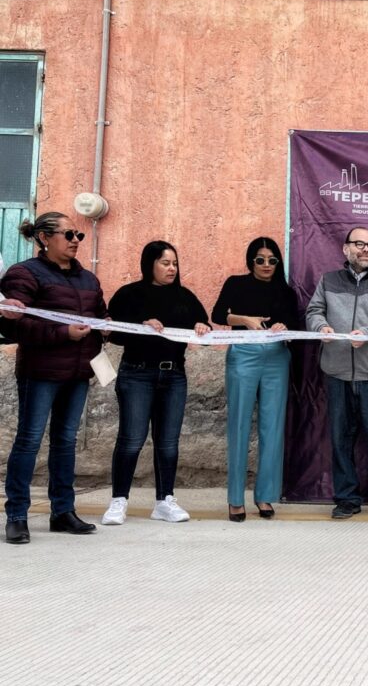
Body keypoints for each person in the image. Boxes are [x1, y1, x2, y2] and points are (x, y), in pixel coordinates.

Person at [2, 212, 105, 545]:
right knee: (29, 440)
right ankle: (17, 516)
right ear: (44, 238)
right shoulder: (24, 273)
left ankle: (63, 511)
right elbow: (16, 325)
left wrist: (108, 327)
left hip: (78, 372)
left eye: (78, 235)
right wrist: (63, 333)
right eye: (68, 234)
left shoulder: (88, 279)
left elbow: (101, 315)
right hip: (40, 372)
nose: (76, 240)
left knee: (66, 442)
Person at [101, 241, 211, 526]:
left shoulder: (185, 296)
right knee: (131, 440)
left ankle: (165, 501)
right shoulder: (129, 294)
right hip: (137, 374)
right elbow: (114, 333)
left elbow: (203, 326)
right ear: (149, 264)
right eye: (165, 263)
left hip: (174, 376)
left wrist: (202, 327)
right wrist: (141, 325)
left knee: (168, 443)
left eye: (174, 263)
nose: (171, 268)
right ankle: (118, 501)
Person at [306, 226, 368, 519]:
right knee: (340, 440)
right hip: (337, 372)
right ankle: (347, 499)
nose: (366, 250)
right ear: (345, 248)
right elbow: (314, 311)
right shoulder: (328, 281)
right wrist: (321, 327)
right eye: (359, 244)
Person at [211, 237, 298, 522]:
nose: (266, 265)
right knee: (238, 424)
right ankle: (235, 499)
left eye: (272, 260)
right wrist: (244, 319)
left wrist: (284, 326)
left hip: (276, 357)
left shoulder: (286, 291)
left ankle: (265, 496)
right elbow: (217, 314)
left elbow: (295, 323)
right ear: (251, 261)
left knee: (273, 428)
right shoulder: (236, 284)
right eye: (260, 259)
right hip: (243, 354)